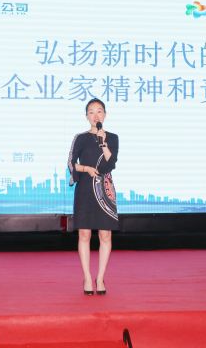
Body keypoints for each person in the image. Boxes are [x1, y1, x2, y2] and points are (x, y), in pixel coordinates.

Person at [68, 98, 119, 296]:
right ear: (86, 116)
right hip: (85, 190)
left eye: (99, 111)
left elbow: (111, 163)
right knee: (84, 234)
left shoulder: (112, 138)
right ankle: (88, 277)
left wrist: (103, 142)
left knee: (105, 235)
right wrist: (86, 169)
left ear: (105, 115)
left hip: (105, 190)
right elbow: (71, 163)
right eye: (91, 111)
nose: (95, 115)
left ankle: (100, 277)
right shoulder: (80, 138)